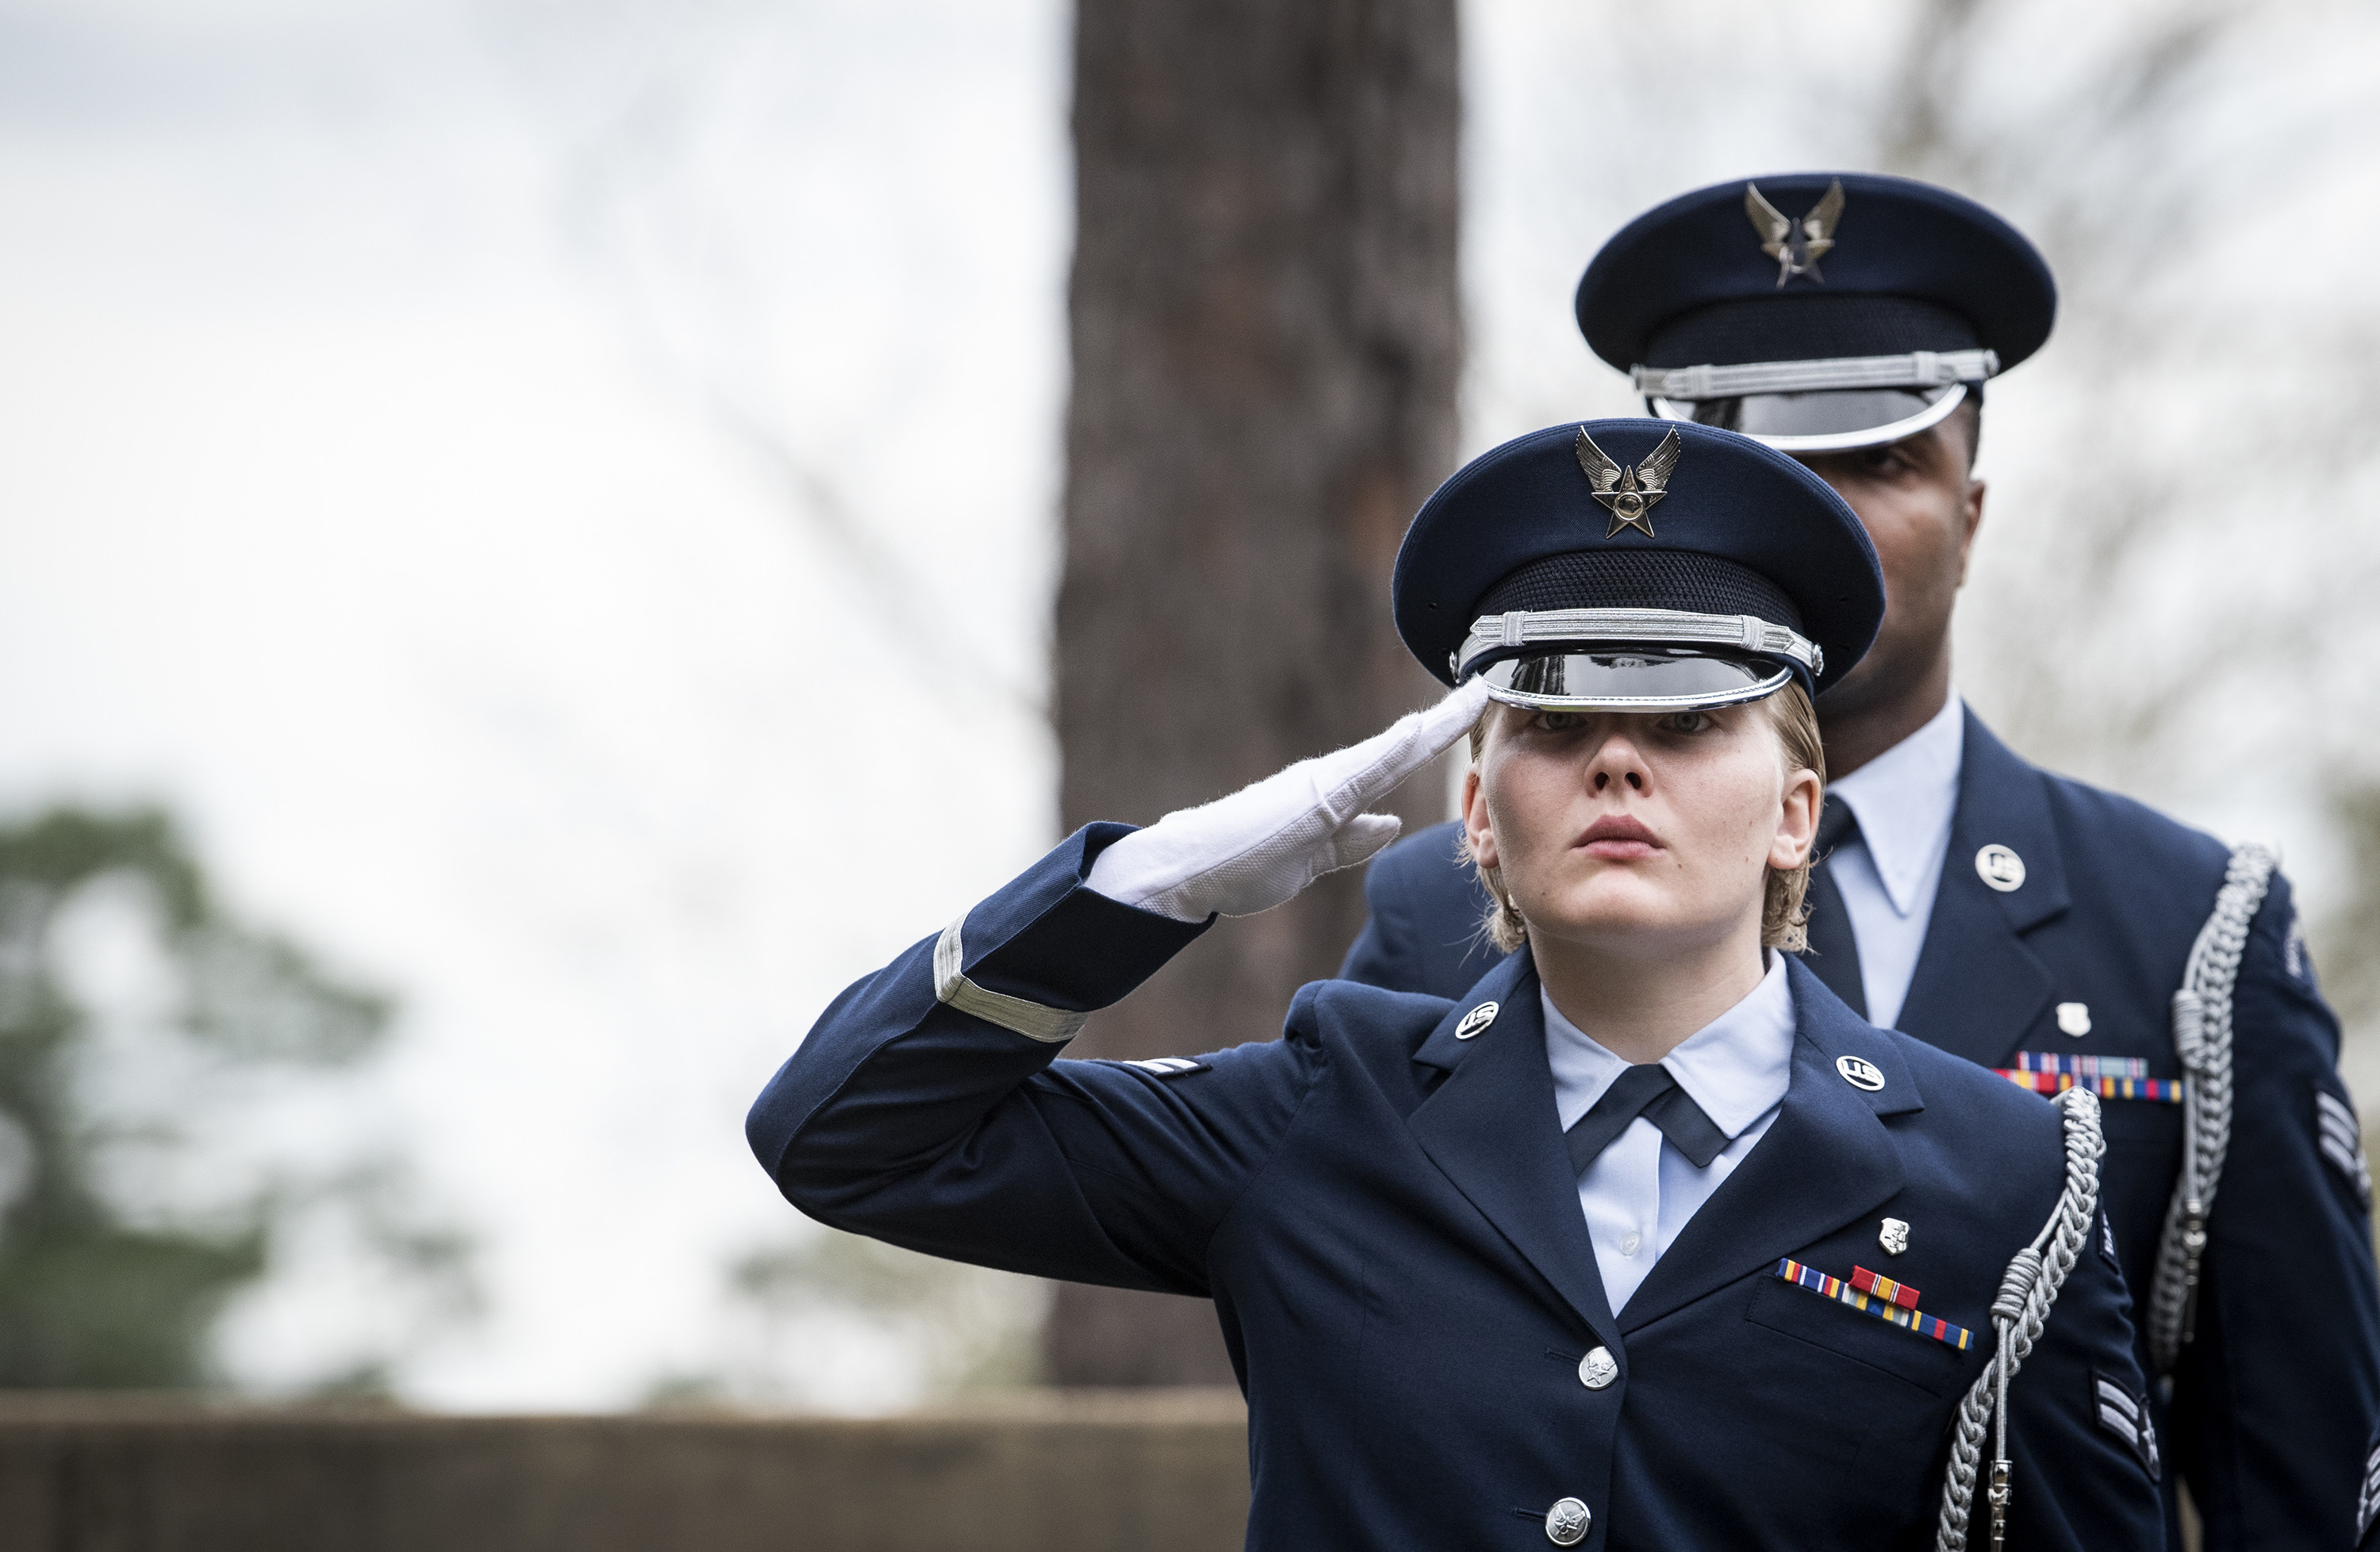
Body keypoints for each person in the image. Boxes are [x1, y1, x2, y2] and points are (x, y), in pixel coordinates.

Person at [749, 418, 2163, 1551]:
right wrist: (1143, 889)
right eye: (1553, 718)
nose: (1619, 760)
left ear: (1797, 809)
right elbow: (842, 1138)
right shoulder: (1320, 1109)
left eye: (1689, 717)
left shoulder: (2007, 1174)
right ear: (1477, 812)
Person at [1337, 173, 2380, 1549]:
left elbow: (2298, 1482)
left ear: (1975, 509)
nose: (1814, 522)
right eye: (1754, 463)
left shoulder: (2186, 932)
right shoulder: (1434, 917)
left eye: (1879, 461)